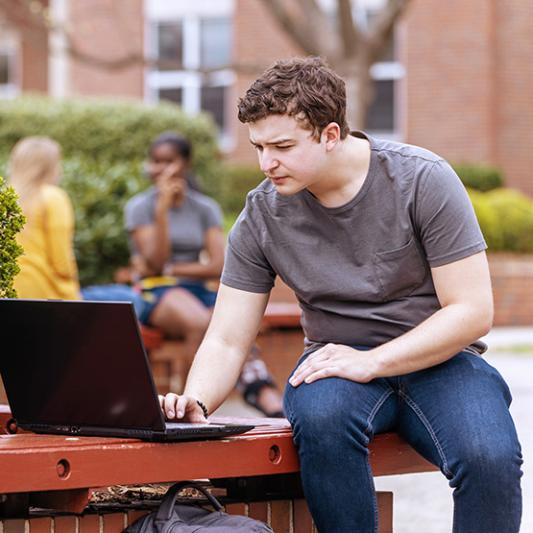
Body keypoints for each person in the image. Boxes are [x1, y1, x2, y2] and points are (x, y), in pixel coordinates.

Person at [159, 57, 523, 532]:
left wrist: (372, 361)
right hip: (335, 368)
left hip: (441, 363)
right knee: (322, 422)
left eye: (283, 146)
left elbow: (472, 311)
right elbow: (227, 336)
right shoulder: (261, 216)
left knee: (489, 457)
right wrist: (198, 401)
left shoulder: (421, 179)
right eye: (258, 147)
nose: (267, 163)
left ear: (330, 135)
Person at [124, 132, 283, 416]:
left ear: (184, 164)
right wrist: (161, 209)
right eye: (155, 161)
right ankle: (184, 406)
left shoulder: (204, 208)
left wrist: (174, 268)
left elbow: (218, 265)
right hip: (156, 290)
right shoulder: (140, 207)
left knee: (237, 322)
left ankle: (259, 389)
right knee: (199, 322)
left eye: (168, 161)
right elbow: (156, 263)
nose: (160, 168)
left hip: (195, 288)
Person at [9, 136, 80, 300]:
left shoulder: (5, 199)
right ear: (50, 167)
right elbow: (62, 265)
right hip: (45, 296)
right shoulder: (53, 197)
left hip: (7, 296)